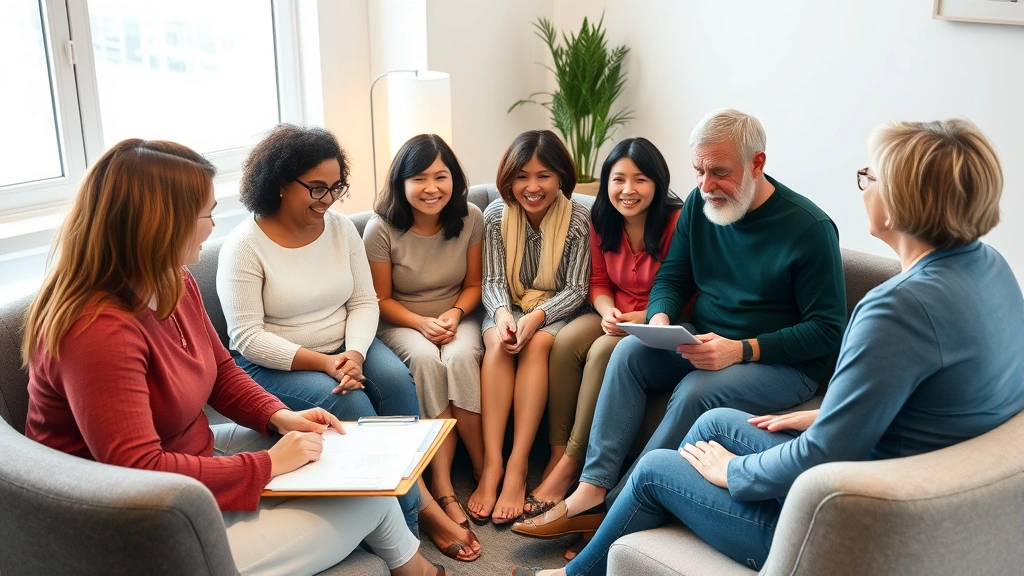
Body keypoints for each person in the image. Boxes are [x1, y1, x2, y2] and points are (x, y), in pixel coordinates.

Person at [513, 118, 1024, 576]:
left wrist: (735, 470)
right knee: (702, 421)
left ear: (904, 201)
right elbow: (917, 399)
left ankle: (579, 570)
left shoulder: (894, 307)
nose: (864, 185)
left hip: (839, 508)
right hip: (885, 473)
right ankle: (593, 497)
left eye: (871, 177)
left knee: (657, 467)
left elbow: (827, 451)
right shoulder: (991, 267)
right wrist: (824, 414)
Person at [22, 139, 445, 576]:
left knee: (345, 454)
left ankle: (413, 568)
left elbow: (222, 370)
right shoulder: (96, 332)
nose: (212, 226)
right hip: (134, 525)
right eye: (205, 213)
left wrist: (279, 416)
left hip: (191, 458)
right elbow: (137, 470)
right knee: (366, 500)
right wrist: (267, 465)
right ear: (160, 224)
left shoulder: (172, 280)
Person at [513, 109, 847, 541]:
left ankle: (620, 511)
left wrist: (740, 349)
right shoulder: (698, 204)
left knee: (697, 390)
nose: (706, 185)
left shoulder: (809, 228)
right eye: (699, 171)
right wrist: (660, 319)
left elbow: (826, 331)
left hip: (781, 364)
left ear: (757, 163)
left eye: (720, 173)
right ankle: (591, 492)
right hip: (702, 340)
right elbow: (672, 278)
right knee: (630, 352)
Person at [215, 124, 428, 536]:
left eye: (336, 187)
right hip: (273, 361)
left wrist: (354, 354)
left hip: (348, 347)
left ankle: (414, 505)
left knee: (398, 384)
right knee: (352, 409)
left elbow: (364, 301)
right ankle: (409, 529)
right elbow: (247, 337)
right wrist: (326, 364)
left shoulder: (341, 228)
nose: (328, 199)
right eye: (316, 188)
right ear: (279, 183)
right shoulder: (244, 246)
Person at [525, 138, 682, 519]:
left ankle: (572, 467)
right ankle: (559, 453)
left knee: (600, 353)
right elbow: (598, 281)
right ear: (606, 183)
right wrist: (608, 310)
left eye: (640, 179)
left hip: (660, 319)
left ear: (657, 183)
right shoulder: (601, 217)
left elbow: (686, 289)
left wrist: (642, 316)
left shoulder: (678, 221)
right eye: (618, 180)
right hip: (614, 313)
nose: (628, 190)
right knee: (564, 344)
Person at [365, 134, 485, 561]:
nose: (432, 187)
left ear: (454, 179)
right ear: (401, 182)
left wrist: (453, 315)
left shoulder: (470, 217)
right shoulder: (381, 227)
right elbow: (380, 300)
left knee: (462, 356)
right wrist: (421, 323)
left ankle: (483, 465)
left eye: (441, 176)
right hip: (402, 320)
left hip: (458, 313)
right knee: (423, 361)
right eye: (420, 178)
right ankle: (443, 487)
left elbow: (474, 285)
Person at [466, 130, 592, 525]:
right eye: (522, 176)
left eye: (544, 176)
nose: (532, 187)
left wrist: (535, 318)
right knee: (498, 345)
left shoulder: (579, 220)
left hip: (554, 310)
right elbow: (492, 281)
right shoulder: (495, 216)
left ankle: (518, 466)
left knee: (536, 346)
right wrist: (504, 316)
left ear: (561, 177)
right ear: (508, 178)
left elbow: (577, 289)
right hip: (505, 306)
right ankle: (492, 466)